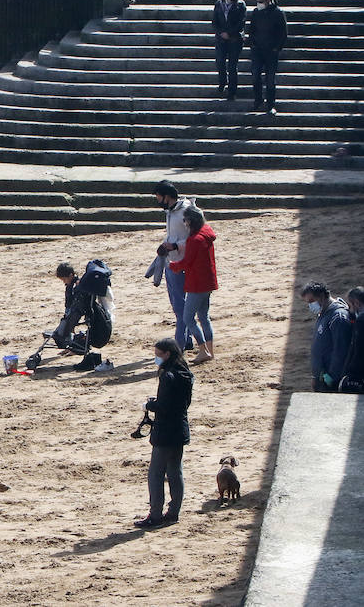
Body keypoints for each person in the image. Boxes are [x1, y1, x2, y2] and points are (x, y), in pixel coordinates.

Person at [135, 338, 194, 529]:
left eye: (158, 355)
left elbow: (164, 406)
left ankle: (155, 515)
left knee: (156, 474)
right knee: (176, 472)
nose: (156, 358)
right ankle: (173, 512)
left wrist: (149, 405)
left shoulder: (167, 376)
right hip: (180, 429)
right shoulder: (185, 373)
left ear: (167, 354)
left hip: (165, 433)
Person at [167, 206, 217, 364]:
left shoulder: (195, 240)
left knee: (188, 318)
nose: (185, 223)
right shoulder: (207, 233)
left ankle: (203, 350)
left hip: (197, 284)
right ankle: (210, 350)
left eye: (186, 220)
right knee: (204, 317)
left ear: (191, 221)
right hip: (208, 282)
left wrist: (173, 265)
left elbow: (188, 262)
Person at [153, 182, 197, 351]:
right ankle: (187, 340)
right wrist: (166, 244)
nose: (157, 200)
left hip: (183, 263)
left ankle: (179, 346)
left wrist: (176, 246)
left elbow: (194, 238)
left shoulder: (186, 211)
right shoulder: (170, 212)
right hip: (171, 262)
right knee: (178, 305)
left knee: (180, 307)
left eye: (158, 196)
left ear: (166, 196)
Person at [303, 283, 352, 392]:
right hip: (322, 377)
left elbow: (341, 350)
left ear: (321, 296)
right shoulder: (323, 314)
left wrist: (332, 377)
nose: (310, 305)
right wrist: (316, 376)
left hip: (333, 380)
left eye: (312, 301)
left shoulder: (338, 317)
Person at [247, 0, 287, 115]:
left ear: (268, 0)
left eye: (260, 1)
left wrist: (277, 47)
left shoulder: (277, 12)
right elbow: (251, 29)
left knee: (270, 79)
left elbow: (283, 33)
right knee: (255, 76)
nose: (258, 4)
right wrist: (252, 44)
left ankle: (271, 104)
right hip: (257, 50)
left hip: (271, 51)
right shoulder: (256, 12)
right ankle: (258, 100)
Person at [211, 0, 247, 99]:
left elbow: (241, 22)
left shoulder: (240, 4)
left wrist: (230, 33)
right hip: (221, 39)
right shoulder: (218, 4)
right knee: (220, 62)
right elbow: (215, 21)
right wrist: (221, 32)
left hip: (235, 39)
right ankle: (222, 82)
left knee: (232, 66)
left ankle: (232, 91)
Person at [338, 287, 364, 393]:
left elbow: (359, 350)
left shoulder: (361, 322)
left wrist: (350, 372)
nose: (349, 310)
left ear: (356, 303)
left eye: (350, 305)